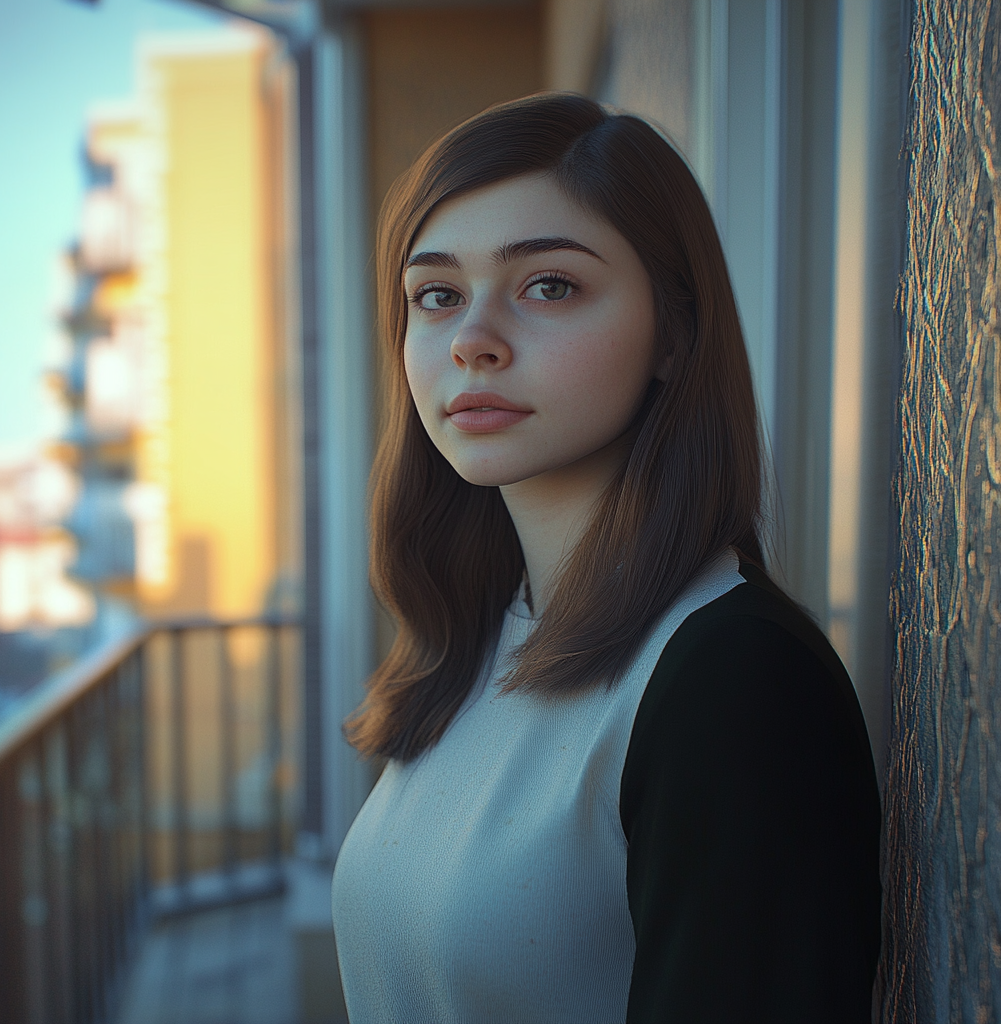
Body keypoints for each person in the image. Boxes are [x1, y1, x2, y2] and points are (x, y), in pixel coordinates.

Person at [330, 93, 882, 1024]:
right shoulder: (481, 639)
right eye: (437, 295)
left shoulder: (734, 681)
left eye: (549, 285)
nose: (472, 341)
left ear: (674, 328)